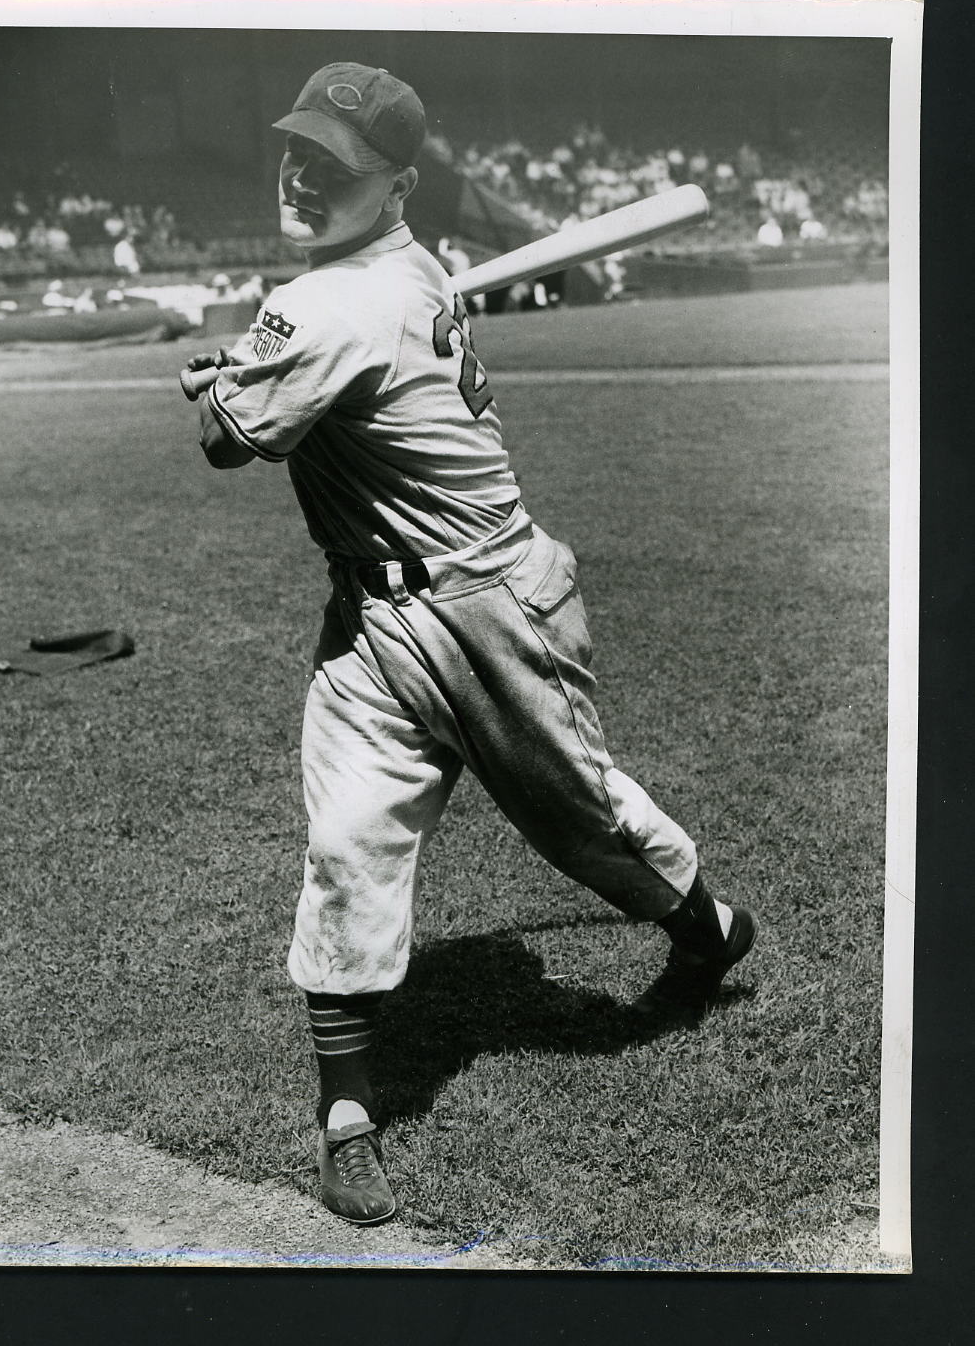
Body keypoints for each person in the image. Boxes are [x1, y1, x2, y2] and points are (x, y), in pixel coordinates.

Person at [189, 62, 758, 1228]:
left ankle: (707, 929)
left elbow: (224, 443)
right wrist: (246, 366)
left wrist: (210, 384)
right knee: (348, 842)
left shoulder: (336, 301)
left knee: (583, 820)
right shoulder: (401, 269)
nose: (299, 174)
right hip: (372, 619)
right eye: (293, 148)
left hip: (492, 604)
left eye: (332, 165)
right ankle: (347, 1115)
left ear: (395, 184)